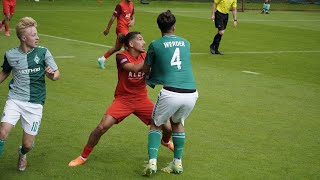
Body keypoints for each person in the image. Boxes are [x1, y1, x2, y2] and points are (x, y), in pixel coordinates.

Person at [68, 32, 174, 167]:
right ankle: (83, 157)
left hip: (142, 99)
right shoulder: (121, 56)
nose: (144, 42)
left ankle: (165, 141)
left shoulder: (145, 55)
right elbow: (135, 68)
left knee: (168, 127)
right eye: (140, 39)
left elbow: (154, 72)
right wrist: (151, 58)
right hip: (123, 100)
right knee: (101, 127)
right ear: (131, 44)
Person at [142, 10, 198, 176]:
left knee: (156, 124)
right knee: (177, 124)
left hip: (171, 91)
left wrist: (150, 77)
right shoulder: (186, 43)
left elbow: (146, 70)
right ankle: (177, 164)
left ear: (159, 27)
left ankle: (152, 163)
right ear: (174, 26)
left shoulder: (155, 44)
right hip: (191, 92)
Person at [0, 17, 60, 171]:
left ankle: (22, 154)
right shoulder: (10, 55)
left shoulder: (43, 52)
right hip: (15, 99)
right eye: (33, 35)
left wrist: (51, 74)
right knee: (2, 132)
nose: (37, 37)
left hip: (35, 103)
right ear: (23, 38)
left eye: (37, 34)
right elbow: (5, 72)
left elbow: (56, 74)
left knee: (27, 144)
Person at [97, 0, 135, 69]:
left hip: (126, 29)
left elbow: (132, 15)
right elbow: (113, 17)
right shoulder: (120, 5)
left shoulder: (132, 4)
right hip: (121, 29)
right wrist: (107, 29)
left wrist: (132, 21)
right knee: (129, 45)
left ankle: (102, 59)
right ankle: (130, 64)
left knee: (117, 47)